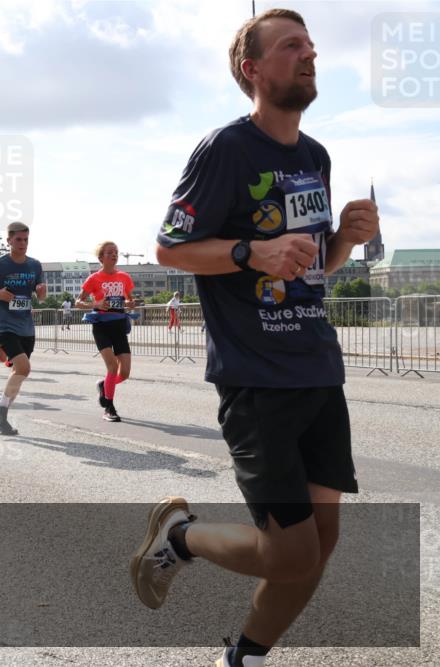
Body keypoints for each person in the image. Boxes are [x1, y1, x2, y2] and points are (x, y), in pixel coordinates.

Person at [130, 10, 381, 667]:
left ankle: (245, 656)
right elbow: (169, 248)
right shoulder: (227, 150)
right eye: (292, 45)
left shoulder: (315, 156)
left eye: (312, 44)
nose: (310, 53)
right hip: (256, 377)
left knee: (316, 550)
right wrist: (252, 251)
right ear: (253, 69)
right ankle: (180, 537)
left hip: (318, 371)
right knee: (290, 552)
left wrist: (344, 242)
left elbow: (311, 270)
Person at [0, 222, 46, 435]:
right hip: (5, 326)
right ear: (9, 241)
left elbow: (40, 295)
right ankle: (1, 411)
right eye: (18, 239)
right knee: (24, 368)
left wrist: (41, 291)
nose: (23, 244)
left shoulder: (35, 265)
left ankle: (0, 410)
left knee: (19, 373)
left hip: (27, 328)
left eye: (26, 239)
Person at [76, 241, 135, 422]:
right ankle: (109, 408)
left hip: (119, 325)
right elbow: (78, 303)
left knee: (124, 373)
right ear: (101, 257)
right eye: (110, 252)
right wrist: (96, 304)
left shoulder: (124, 277)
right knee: (112, 367)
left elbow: (129, 300)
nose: (114, 255)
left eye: (116, 252)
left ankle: (104, 385)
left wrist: (130, 304)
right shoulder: (93, 279)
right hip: (101, 326)